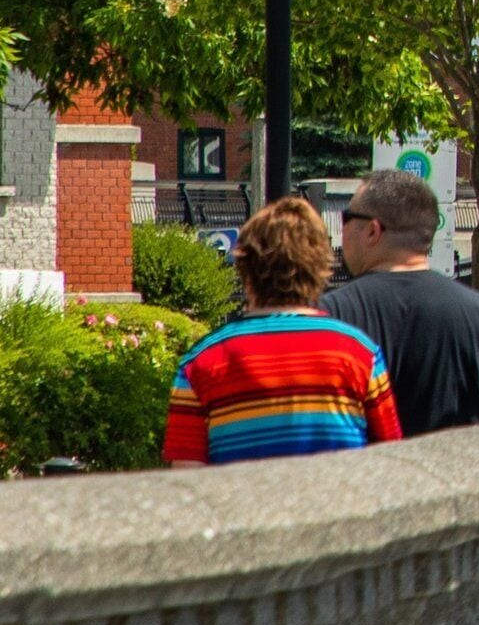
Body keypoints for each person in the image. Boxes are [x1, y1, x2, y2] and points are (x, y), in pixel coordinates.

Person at [166, 195, 401, 466]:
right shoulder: (359, 354)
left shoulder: (199, 363)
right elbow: (389, 462)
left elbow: (187, 474)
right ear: (319, 268)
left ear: (245, 268)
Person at [323, 170, 479, 437]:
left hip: (366, 473)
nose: (342, 228)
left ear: (373, 230)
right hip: (464, 473)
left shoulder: (330, 316)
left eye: (346, 218)